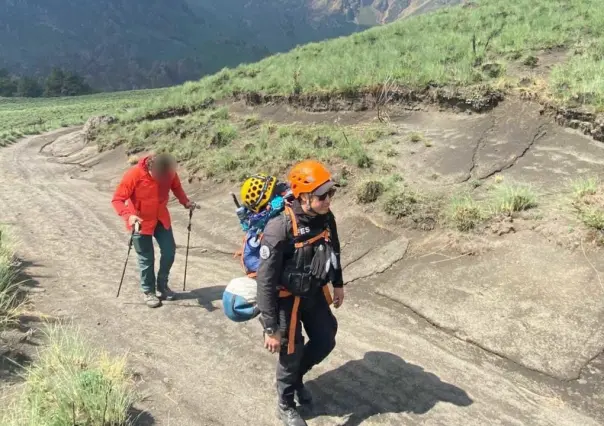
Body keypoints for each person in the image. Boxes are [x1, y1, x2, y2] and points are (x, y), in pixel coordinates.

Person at [255, 159, 345, 426]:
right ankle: (285, 403)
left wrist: (337, 284)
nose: (328, 199)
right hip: (285, 301)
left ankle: (294, 379)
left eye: (331, 193)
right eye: (322, 195)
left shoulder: (326, 218)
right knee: (290, 352)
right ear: (303, 196)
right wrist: (270, 327)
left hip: (313, 292)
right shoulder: (280, 227)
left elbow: (334, 249)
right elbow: (265, 280)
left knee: (326, 337)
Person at [111, 152, 197, 308]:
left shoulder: (169, 172)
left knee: (169, 251)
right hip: (140, 221)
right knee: (146, 258)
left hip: (161, 218)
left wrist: (185, 202)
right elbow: (117, 199)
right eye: (159, 176)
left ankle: (162, 285)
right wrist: (128, 216)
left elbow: (176, 187)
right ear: (151, 168)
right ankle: (149, 291)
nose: (162, 179)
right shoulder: (134, 174)